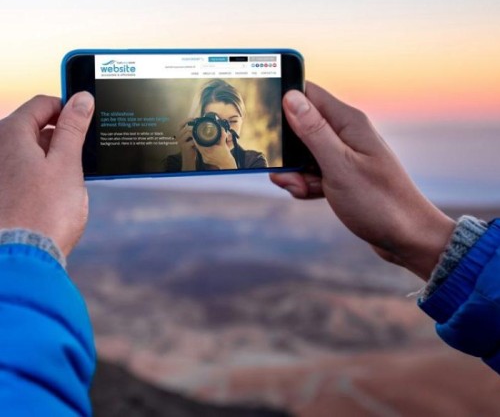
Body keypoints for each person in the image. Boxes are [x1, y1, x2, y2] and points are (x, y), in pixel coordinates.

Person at [0, 83, 498, 415]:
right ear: (192, 123)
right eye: (208, 122)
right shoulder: (174, 154)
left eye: (229, 123)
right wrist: (430, 239)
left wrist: (20, 240)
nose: (218, 131)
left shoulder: (256, 157)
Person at [165, 79, 268, 172]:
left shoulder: (254, 162)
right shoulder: (176, 162)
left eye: (232, 122)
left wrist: (227, 163)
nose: (224, 132)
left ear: (242, 119)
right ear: (198, 122)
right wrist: (188, 162)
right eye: (215, 122)